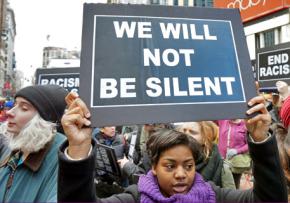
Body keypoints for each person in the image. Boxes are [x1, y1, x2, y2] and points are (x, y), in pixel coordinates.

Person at [58, 92, 287, 202]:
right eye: (170, 166)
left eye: (188, 166)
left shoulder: (212, 195)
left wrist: (260, 140)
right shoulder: (134, 198)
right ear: (154, 167)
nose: (181, 174)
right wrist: (78, 148)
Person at [0, 85, 68, 202]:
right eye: (15, 104)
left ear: (44, 118)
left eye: (24, 108)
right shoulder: (14, 144)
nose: (10, 112)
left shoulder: (64, 153)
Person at [176, 121, 236, 189]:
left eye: (192, 132)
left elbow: (229, 196)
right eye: (184, 130)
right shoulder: (171, 157)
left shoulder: (222, 167)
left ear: (205, 138)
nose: (185, 135)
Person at [216, 119, 249, 188]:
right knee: (221, 184)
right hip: (222, 160)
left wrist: (237, 151)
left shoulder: (244, 126)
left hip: (235, 163)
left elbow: (248, 145)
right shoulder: (223, 121)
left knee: (234, 185)